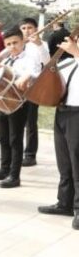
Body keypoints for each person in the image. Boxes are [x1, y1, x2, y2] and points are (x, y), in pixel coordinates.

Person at [0, 26, 41, 189]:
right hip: (2, 101)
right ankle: (4, 169)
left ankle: (14, 176)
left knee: (15, 139)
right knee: (3, 138)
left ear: (22, 41)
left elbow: (35, 72)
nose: (12, 47)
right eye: (8, 44)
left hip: (19, 103)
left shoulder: (29, 58)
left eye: (15, 43)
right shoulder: (7, 59)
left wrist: (26, 76)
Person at [37, 35, 79, 230]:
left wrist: (76, 51)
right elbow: (49, 72)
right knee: (64, 162)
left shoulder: (75, 56)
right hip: (62, 112)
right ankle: (64, 203)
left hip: (78, 114)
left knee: (77, 163)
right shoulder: (69, 61)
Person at [19, 17, 50, 167]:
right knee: (16, 121)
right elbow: (4, 55)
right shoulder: (18, 43)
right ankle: (16, 153)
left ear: (36, 29)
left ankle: (30, 155)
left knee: (30, 122)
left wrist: (37, 43)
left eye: (29, 28)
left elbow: (47, 60)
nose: (26, 31)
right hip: (17, 87)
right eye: (23, 28)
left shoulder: (42, 44)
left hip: (33, 87)